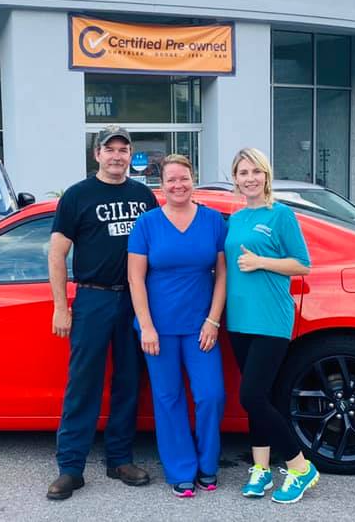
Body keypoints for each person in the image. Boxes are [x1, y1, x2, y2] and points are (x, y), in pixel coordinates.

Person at [46, 126, 158, 501]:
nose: (116, 156)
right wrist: (61, 306)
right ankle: (70, 468)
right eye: (109, 149)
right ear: (97, 154)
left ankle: (119, 460)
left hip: (134, 300)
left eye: (123, 150)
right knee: (84, 383)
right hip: (92, 299)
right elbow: (57, 254)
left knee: (129, 381)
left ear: (130, 155)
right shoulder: (77, 196)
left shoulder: (143, 196)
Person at [127, 154, 227, 498]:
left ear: (193, 180)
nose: (178, 185)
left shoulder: (213, 221)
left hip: (202, 327)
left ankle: (208, 464)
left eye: (184, 178)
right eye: (171, 179)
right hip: (159, 329)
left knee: (211, 395)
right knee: (168, 399)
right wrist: (146, 326)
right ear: (161, 185)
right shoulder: (147, 224)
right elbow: (135, 279)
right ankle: (181, 470)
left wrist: (213, 320)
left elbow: (222, 275)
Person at [223, 147, 319, 504]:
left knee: (251, 395)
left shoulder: (281, 214)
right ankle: (261, 468)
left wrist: (263, 261)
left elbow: (303, 264)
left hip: (270, 318)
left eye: (255, 172)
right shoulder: (235, 219)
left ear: (266, 175)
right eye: (243, 172)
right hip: (239, 319)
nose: (249, 178)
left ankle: (299, 467)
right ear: (235, 179)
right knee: (258, 399)